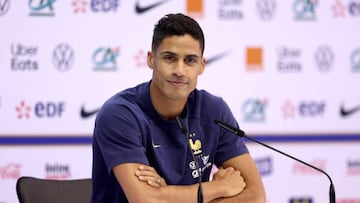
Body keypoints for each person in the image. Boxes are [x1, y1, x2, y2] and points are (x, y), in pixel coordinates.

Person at [91, 13, 266, 203]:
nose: (179, 71)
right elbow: (147, 201)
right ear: (151, 59)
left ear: (201, 65)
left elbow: (255, 196)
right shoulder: (120, 114)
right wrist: (217, 187)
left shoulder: (214, 111)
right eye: (169, 58)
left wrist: (167, 195)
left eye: (190, 60)